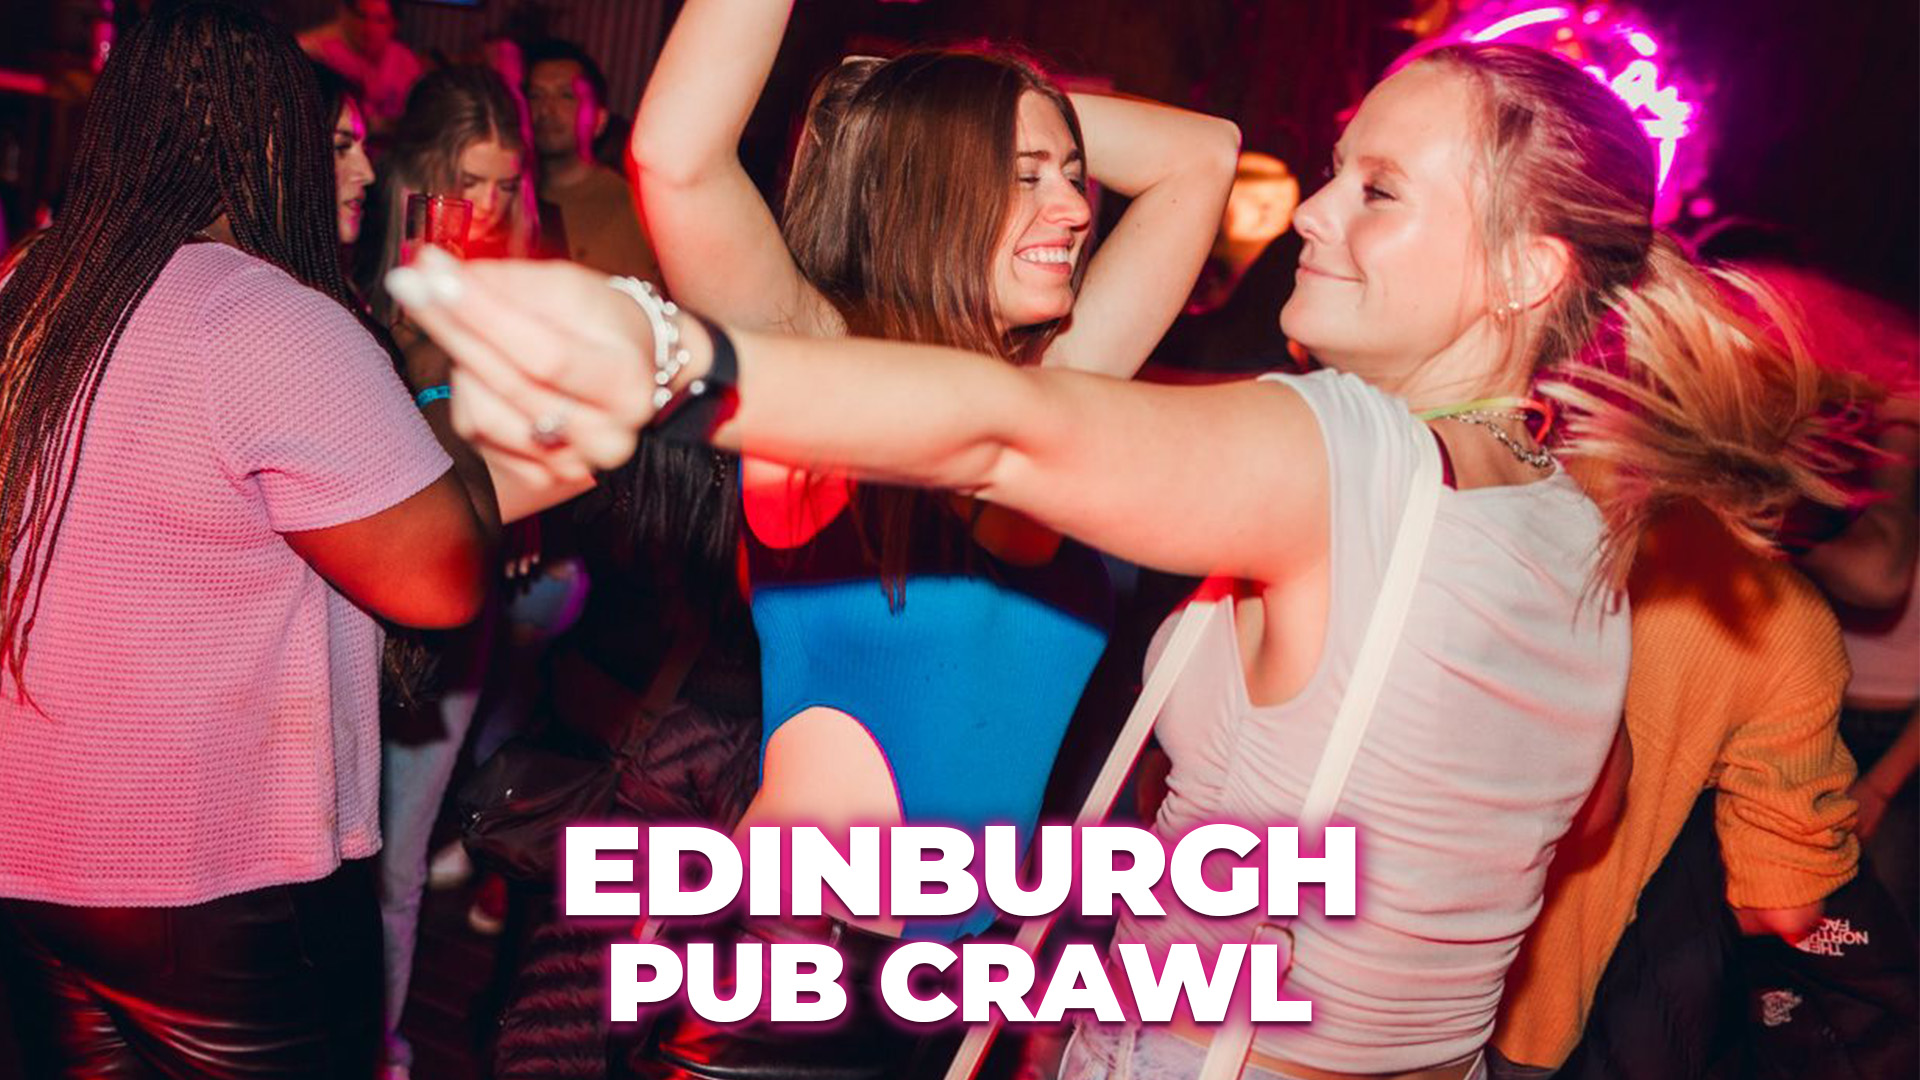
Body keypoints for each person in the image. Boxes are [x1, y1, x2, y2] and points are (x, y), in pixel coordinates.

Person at [392, 37, 1865, 1080]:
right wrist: (925, 116)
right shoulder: (1584, 512)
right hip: (824, 974)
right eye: (1336, 175)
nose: (1311, 213)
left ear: (1526, 271)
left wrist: (669, 351)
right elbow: (1584, 805)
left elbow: (1004, 429)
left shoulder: (1328, 451)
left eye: (1378, 190)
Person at [0, 5, 494, 1076]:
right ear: (268, 138)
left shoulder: (33, 288)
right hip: (213, 875)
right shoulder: (267, 319)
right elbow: (444, 580)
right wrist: (448, 397)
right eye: (324, 135)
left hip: (33, 859)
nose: (353, 162)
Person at [1490, 501, 1863, 1078]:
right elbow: (1785, 909)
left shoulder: (1498, 489)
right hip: (1527, 1013)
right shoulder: (1777, 612)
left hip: (1358, 954)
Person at [358, 60, 540, 1080]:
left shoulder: (518, 292)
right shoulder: (344, 269)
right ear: (417, 175)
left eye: (505, 183)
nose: (487, 205)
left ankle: (380, 1052)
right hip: (339, 607)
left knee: (395, 861)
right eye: (468, 181)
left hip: (453, 610)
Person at [525, 38, 660, 282]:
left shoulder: (633, 206)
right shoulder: (504, 193)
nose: (546, 110)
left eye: (567, 96)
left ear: (600, 119)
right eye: (535, 95)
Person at [301, 0, 424, 140]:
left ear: (394, 24)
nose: (368, 27)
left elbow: (418, 119)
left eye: (379, 20)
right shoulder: (322, 55)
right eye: (361, 16)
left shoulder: (406, 62)